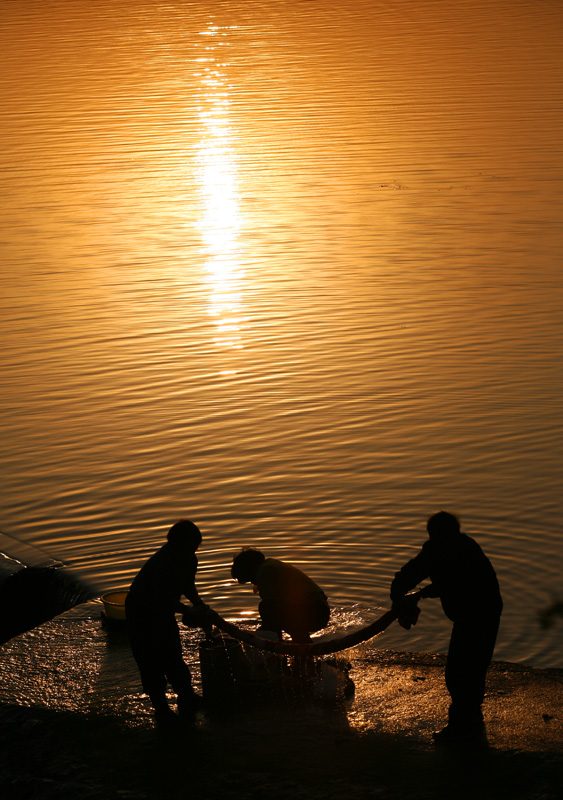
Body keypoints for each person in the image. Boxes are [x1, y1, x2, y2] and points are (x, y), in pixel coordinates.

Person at [390, 511, 503, 744]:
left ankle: (462, 727)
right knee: (469, 670)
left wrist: (413, 594)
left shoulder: (456, 549)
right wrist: (405, 597)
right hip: (476, 614)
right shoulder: (449, 548)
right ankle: (469, 723)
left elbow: (451, 582)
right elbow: (418, 576)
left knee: (461, 672)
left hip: (480, 613)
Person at [125, 519, 210, 724]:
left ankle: (186, 695)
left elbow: (187, 585)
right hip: (141, 613)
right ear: (176, 543)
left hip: (163, 612)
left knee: (173, 653)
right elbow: (162, 598)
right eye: (189, 545)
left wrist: (198, 603)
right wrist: (189, 610)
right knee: (150, 661)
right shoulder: (162, 562)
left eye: (195, 546)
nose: (192, 550)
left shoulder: (190, 559)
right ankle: (161, 707)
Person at [231, 547, 330, 643]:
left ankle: (286, 644)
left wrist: (263, 634)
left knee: (265, 606)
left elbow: (270, 606)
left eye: (250, 580)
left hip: (314, 612)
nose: (253, 583)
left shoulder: (265, 571)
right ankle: (300, 643)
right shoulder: (271, 564)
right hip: (320, 609)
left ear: (249, 570)